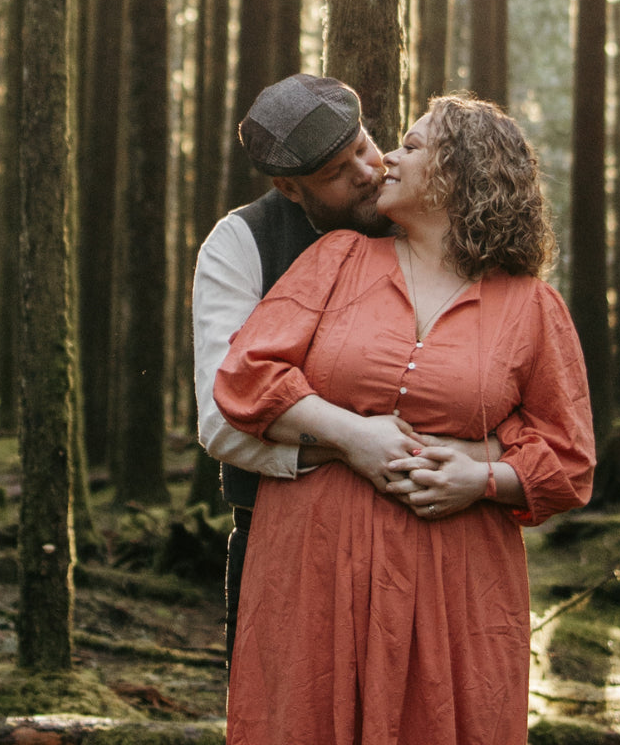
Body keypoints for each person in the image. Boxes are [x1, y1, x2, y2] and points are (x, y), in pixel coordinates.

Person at [213, 93, 596, 744]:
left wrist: (481, 479)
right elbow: (246, 377)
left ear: (460, 173)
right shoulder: (337, 260)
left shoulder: (532, 308)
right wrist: (351, 436)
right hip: (314, 561)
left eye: (412, 146)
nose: (387, 158)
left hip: (455, 580)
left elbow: (568, 461)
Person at [192, 74, 490, 667]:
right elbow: (221, 421)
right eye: (335, 171)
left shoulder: (427, 215)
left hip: (432, 546)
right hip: (284, 544)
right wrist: (354, 442)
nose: (366, 171)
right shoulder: (242, 244)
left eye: (362, 146)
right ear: (289, 187)